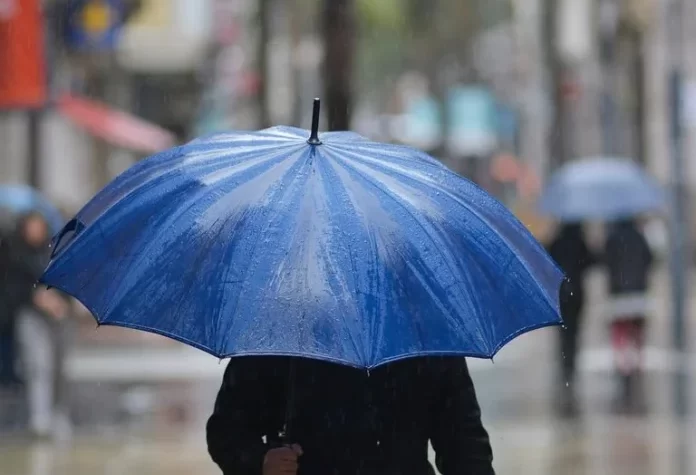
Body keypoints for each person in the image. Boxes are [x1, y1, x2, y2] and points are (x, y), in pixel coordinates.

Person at [207, 356, 494, 475]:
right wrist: (261, 460)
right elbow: (227, 431)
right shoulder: (280, 332)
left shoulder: (426, 333)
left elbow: (463, 442)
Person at [8, 212, 69, 438]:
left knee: (57, 368)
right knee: (38, 366)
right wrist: (35, 298)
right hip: (30, 317)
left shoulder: (52, 253)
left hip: (56, 319)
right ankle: (39, 419)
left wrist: (59, 302)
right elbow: (12, 290)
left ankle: (57, 414)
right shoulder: (14, 255)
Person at [546, 223, 597, 415]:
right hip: (577, 295)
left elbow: (546, 260)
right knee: (575, 333)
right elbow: (591, 262)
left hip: (560, 295)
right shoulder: (580, 242)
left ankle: (564, 366)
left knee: (563, 333)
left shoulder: (557, 242)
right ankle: (571, 366)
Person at [604, 218, 654, 409]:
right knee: (637, 330)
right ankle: (637, 361)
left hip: (618, 293)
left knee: (620, 329)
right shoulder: (640, 237)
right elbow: (650, 259)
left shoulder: (612, 238)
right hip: (638, 292)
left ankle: (622, 364)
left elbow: (605, 260)